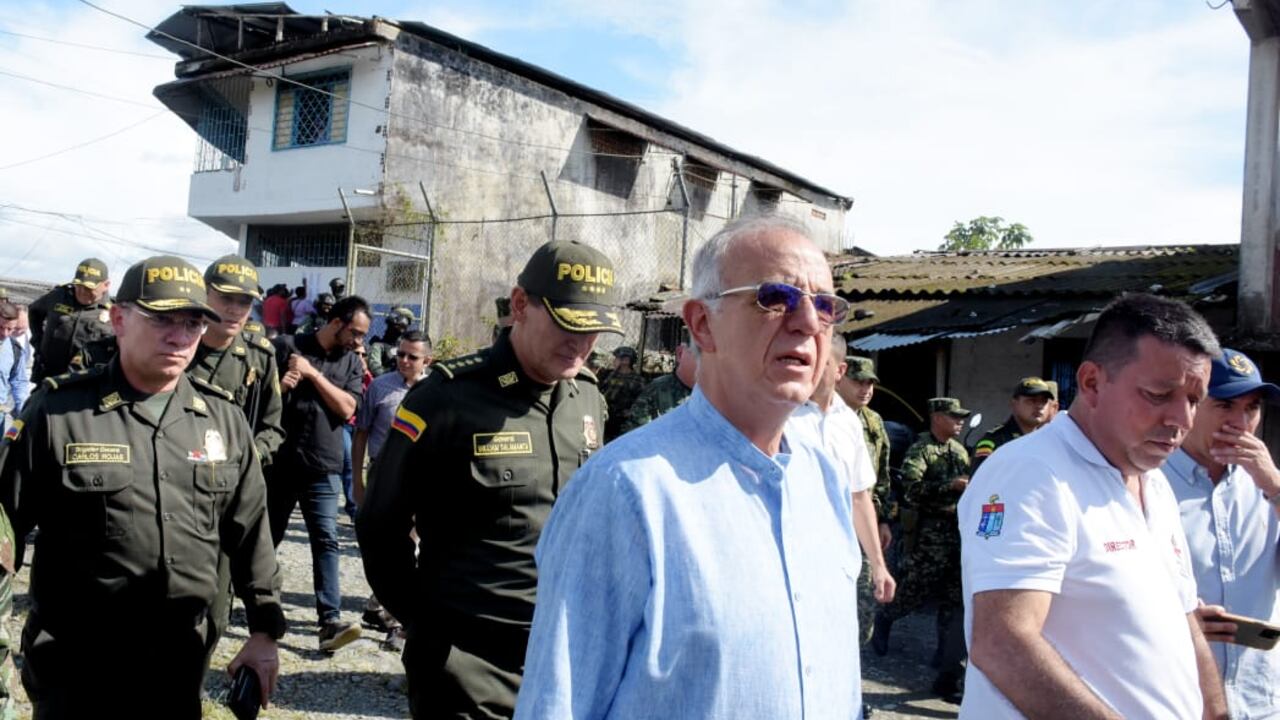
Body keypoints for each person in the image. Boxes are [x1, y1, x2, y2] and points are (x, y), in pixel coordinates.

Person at [514, 216, 865, 719]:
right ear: (702, 323)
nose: (809, 323)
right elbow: (559, 705)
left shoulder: (823, 476)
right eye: (776, 297)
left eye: (826, 306)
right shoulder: (627, 490)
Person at [0, 255, 284, 718]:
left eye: (193, 323)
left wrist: (264, 631)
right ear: (119, 320)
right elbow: (3, 527)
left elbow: (250, 530)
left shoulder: (223, 420)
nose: (179, 336)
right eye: (163, 320)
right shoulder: (57, 413)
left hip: (178, 659)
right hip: (75, 663)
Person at [358, 239, 620, 718]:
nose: (582, 343)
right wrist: (427, 623)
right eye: (568, 325)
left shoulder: (586, 398)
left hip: (563, 655)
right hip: (468, 662)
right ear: (520, 306)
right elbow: (380, 525)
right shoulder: (446, 400)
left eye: (594, 331)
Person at [959, 293, 1228, 718]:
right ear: (1091, 383)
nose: (1182, 420)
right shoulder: (1033, 472)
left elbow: (1185, 619)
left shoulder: (1154, 484)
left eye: (1195, 400)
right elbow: (1003, 643)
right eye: (1160, 394)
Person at [1162, 347, 1280, 719]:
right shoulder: (1148, 485)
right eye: (1225, 406)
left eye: (1252, 408)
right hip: (1178, 700)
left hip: (1258, 700)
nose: (1241, 424)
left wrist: (1274, 486)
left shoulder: (1266, 485)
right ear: (1192, 407)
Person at [191, 255, 287, 669]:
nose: (234, 310)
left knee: (214, 611)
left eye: (244, 302)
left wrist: (244, 460)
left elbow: (273, 428)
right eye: (226, 298)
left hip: (224, 497)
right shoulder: (179, 344)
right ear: (204, 294)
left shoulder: (259, 356)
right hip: (172, 488)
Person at [269, 294, 370, 652]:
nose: (359, 342)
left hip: (323, 466)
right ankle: (257, 609)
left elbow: (347, 409)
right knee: (266, 538)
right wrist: (283, 384)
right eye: (355, 333)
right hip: (279, 462)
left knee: (326, 539)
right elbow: (258, 400)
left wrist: (312, 375)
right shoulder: (286, 346)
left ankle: (329, 621)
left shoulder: (352, 363)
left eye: (363, 336)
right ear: (337, 322)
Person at [873, 396, 971, 702]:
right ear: (936, 417)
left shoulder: (959, 450)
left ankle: (946, 658)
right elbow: (911, 491)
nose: (960, 422)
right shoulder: (921, 449)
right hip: (930, 533)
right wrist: (949, 486)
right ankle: (885, 621)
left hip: (956, 532)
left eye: (962, 417)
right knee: (915, 588)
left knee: (953, 597)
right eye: (954, 416)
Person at [351, 330, 432, 650]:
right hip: (381, 476)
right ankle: (377, 604)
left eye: (412, 356)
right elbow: (361, 434)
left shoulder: (436, 390)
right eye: (400, 354)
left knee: (411, 546)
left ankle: (399, 619)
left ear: (427, 360)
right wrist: (356, 482)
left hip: (418, 479)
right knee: (380, 544)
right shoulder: (381, 387)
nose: (404, 361)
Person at [838, 355, 895, 647]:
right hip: (831, 520)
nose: (866, 389)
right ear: (839, 376)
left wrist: (883, 518)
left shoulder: (873, 421)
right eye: (858, 382)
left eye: (870, 383)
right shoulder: (815, 416)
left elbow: (881, 474)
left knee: (864, 600)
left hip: (864, 519)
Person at [28, 257, 114, 383]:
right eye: (78, 286)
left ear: (105, 285)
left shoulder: (113, 313)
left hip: (83, 383)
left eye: (89, 288)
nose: (82, 291)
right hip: (48, 374)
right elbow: (34, 311)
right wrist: (38, 342)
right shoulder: (59, 296)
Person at [970, 376, 1055, 474]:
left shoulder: (1047, 442)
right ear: (1014, 404)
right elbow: (981, 482)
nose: (1039, 406)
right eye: (1032, 400)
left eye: (1043, 401)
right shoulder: (993, 441)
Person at [621, 339, 696, 432]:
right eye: (701, 353)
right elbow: (635, 436)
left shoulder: (715, 397)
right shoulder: (657, 391)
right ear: (680, 354)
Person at [599, 345, 645, 440]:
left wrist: (630, 412)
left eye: (617, 358)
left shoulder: (636, 380)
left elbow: (641, 400)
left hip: (621, 421)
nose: (614, 361)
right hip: (605, 416)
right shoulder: (609, 375)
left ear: (626, 361)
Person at [0, 302, 29, 437]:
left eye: (10, 329)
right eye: (0, 327)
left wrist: (23, 410)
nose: (5, 334)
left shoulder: (15, 349)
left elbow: (19, 382)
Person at [367, 305, 415, 377]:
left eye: (403, 327)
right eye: (397, 326)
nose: (400, 330)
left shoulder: (407, 347)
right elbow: (376, 369)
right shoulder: (378, 346)